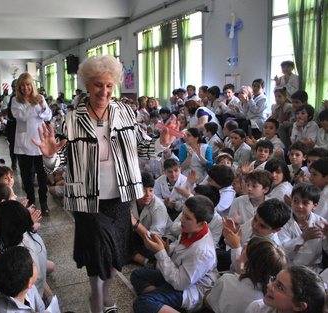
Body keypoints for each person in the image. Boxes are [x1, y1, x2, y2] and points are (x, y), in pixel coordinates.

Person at [32, 54, 179, 313]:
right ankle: (97, 301)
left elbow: (142, 147)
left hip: (121, 196)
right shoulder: (71, 118)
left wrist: (162, 144)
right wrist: (50, 155)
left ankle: (105, 292)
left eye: (109, 85)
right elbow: (57, 162)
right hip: (88, 198)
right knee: (97, 251)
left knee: (115, 253)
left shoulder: (124, 111)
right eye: (98, 84)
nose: (104, 91)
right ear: (87, 85)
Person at [131, 196, 217, 313]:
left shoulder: (203, 251)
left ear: (202, 224)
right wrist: (167, 249)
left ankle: (161, 301)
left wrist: (160, 252)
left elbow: (180, 284)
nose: (181, 219)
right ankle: (164, 302)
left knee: (141, 303)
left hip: (189, 289)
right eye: (183, 213)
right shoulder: (191, 230)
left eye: (187, 217)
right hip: (177, 276)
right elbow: (177, 247)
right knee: (137, 275)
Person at [205, 236, 289, 313]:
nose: (244, 245)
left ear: (251, 263)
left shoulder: (227, 280)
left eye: (248, 249)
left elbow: (209, 303)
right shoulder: (269, 298)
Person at [12, 73, 52, 215]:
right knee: (27, 175)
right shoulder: (16, 101)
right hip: (24, 143)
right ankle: (31, 203)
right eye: (22, 86)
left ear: (32, 85)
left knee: (42, 175)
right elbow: (21, 116)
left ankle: (44, 202)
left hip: (39, 142)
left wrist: (41, 104)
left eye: (28, 85)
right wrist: (32, 104)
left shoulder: (39, 98)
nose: (25, 88)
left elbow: (48, 116)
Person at [0, 246, 59, 313]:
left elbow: (40, 306)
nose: (35, 265)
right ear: (29, 282)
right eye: (33, 264)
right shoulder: (5, 310)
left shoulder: (21, 285)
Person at [245, 266, 328, 313]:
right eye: (274, 280)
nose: (269, 285)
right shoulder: (258, 308)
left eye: (280, 287)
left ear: (299, 306)